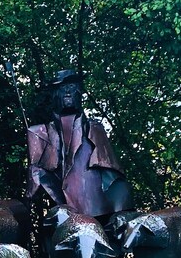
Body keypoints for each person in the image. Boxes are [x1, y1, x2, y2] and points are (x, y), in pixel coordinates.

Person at [26, 70, 134, 218]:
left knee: (122, 192)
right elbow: (37, 175)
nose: (68, 92)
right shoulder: (39, 133)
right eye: (62, 87)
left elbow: (111, 169)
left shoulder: (94, 128)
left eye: (72, 86)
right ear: (54, 94)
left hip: (98, 202)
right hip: (67, 207)